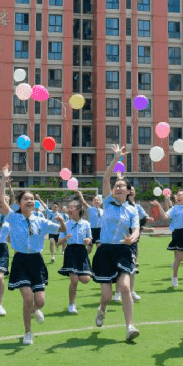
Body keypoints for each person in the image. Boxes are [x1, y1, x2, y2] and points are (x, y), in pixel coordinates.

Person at [0, 166, 66, 345]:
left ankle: (36, 310)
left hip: (37, 261)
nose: (29, 201)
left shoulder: (41, 220)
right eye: (25, 199)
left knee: (40, 302)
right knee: (27, 298)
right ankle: (27, 332)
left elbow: (62, 229)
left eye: (31, 199)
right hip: (21, 260)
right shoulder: (14, 218)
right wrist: (4, 181)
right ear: (20, 203)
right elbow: (1, 202)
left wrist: (61, 223)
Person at [91, 145, 141, 341]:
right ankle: (102, 309)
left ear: (129, 191)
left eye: (122, 186)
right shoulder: (107, 201)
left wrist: (133, 238)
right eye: (116, 185)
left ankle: (129, 326)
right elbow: (105, 177)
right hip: (105, 252)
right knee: (106, 296)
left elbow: (136, 229)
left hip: (123, 251)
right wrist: (116, 158)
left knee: (125, 287)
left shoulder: (132, 210)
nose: (118, 187)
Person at [57, 192, 94, 314]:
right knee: (74, 280)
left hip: (82, 252)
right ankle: (71, 304)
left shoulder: (86, 224)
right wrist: (64, 239)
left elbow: (90, 239)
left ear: (79, 210)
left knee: (85, 279)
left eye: (72, 207)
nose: (69, 209)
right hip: (71, 251)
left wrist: (88, 240)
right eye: (69, 207)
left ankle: (73, 301)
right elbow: (58, 243)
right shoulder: (66, 224)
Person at [164, 189, 183, 288]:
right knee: (179, 258)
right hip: (179, 234)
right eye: (177, 194)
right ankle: (174, 277)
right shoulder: (174, 209)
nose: (178, 196)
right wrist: (159, 205)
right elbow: (165, 216)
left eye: (180, 194)